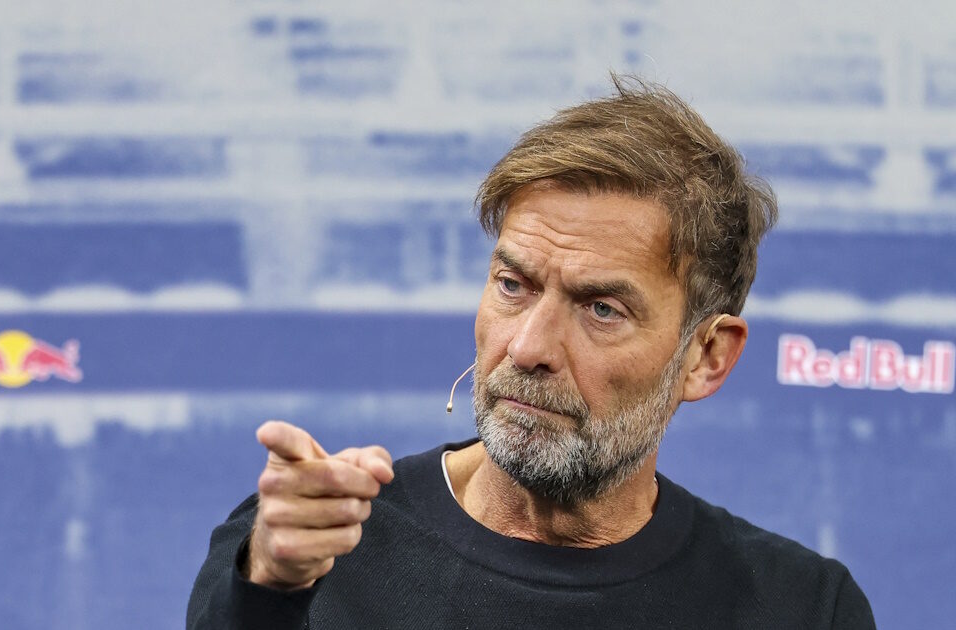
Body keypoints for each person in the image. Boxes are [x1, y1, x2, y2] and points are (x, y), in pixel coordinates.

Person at [187, 76, 876, 629]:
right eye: (513, 285)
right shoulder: (306, 556)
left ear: (706, 356)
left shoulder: (801, 607)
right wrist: (268, 591)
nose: (527, 347)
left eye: (601, 309)